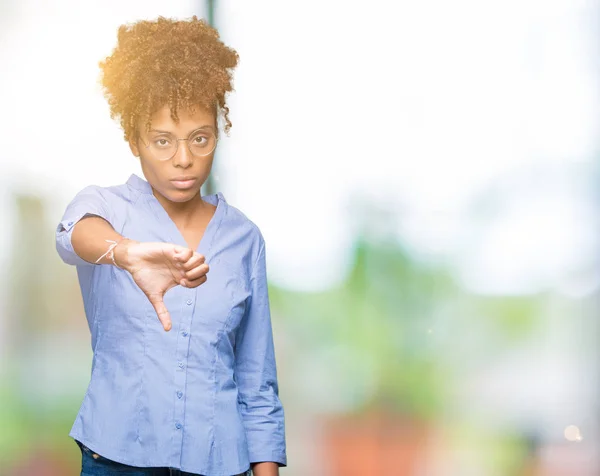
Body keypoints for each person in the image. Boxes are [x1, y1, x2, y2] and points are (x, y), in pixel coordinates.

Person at [55, 16, 286, 476]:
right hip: (117, 459)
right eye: (162, 141)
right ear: (133, 139)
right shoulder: (105, 208)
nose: (184, 158)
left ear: (218, 133)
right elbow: (72, 236)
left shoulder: (244, 239)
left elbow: (256, 380)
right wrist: (126, 253)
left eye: (200, 138)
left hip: (221, 463)